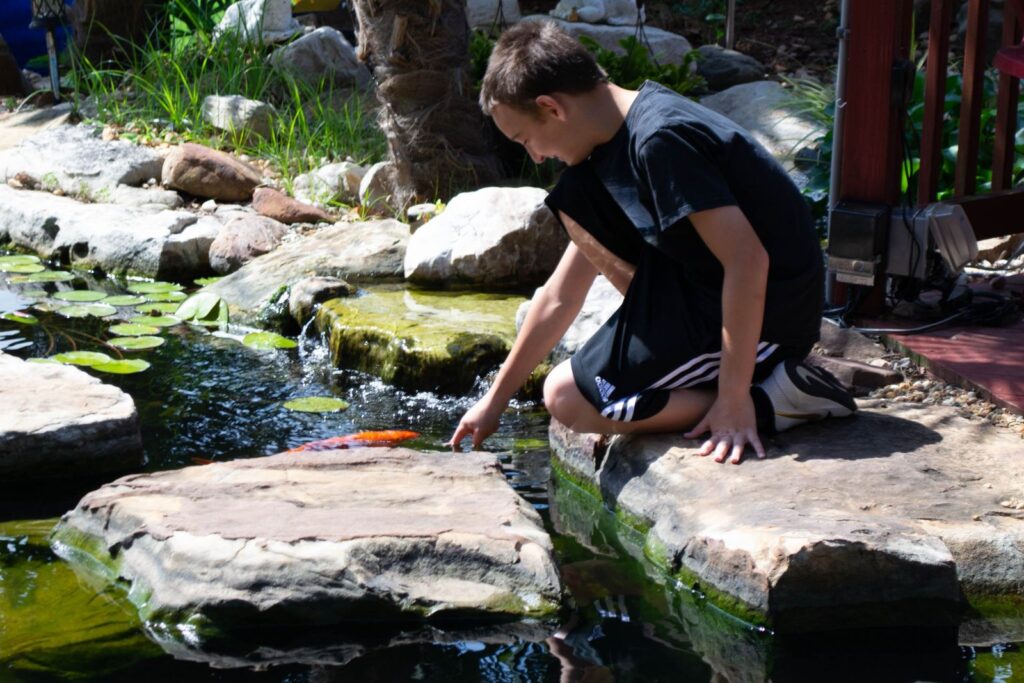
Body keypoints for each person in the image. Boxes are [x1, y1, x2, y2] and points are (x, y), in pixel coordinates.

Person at [448, 20, 855, 464]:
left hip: (771, 314)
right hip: (696, 291)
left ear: (552, 107)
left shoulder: (660, 139)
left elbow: (748, 260)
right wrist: (495, 399)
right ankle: (734, 382)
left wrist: (733, 399)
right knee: (575, 195)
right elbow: (560, 296)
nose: (536, 156)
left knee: (569, 398)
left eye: (525, 139)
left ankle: (775, 398)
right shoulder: (606, 144)